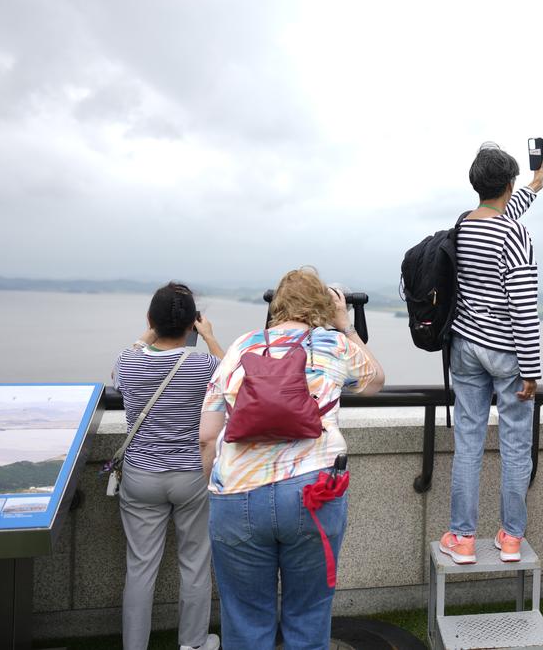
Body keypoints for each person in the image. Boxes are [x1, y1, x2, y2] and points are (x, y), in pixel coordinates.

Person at [200, 267, 384, 649]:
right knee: (309, 615)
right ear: (323, 305)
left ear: (277, 305)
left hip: (237, 493)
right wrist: (345, 325)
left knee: (246, 619)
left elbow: (207, 436)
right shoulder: (333, 344)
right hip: (313, 493)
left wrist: (216, 488)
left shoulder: (241, 346)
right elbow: (376, 380)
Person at [439, 143, 543, 565]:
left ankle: (463, 539)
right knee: (515, 445)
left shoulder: (463, 226)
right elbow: (523, 307)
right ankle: (510, 538)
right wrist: (531, 369)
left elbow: (501, 210)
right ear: (507, 183)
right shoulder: (515, 235)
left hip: (465, 347)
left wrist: (535, 186)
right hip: (506, 351)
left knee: (468, 442)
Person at [112, 282, 224, 650]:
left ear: (150, 319)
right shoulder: (204, 365)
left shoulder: (128, 362)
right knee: (194, 561)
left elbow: (118, 373)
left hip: (141, 475)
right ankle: (193, 643)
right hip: (191, 474)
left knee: (140, 566)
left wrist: (149, 331)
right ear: (193, 323)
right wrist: (209, 337)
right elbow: (233, 377)